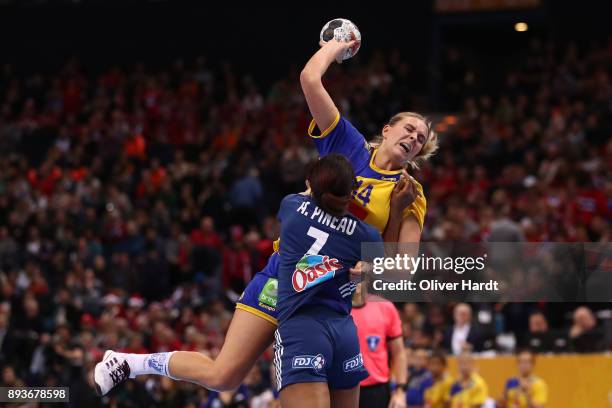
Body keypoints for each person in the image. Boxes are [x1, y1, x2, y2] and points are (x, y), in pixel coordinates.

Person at [94, 36, 437, 396]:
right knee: (223, 376)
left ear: (419, 153)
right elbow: (310, 79)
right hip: (285, 272)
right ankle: (129, 363)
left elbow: (401, 267)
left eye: (420, 138)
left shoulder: (409, 194)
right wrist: (338, 45)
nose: (413, 137)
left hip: (330, 296)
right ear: (386, 130)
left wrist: (392, 222)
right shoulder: (347, 144)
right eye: (408, 129)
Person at [274, 154, 384, 407]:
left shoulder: (290, 206)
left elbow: (308, 195)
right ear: (351, 192)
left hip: (303, 328)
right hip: (344, 332)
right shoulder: (366, 235)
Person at [351, 283, 407, 408]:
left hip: (376, 391)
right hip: (342, 389)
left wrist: (400, 391)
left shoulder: (385, 307)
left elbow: (399, 352)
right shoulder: (334, 309)